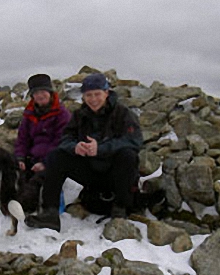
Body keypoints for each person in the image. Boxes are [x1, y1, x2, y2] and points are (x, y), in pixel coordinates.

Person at [25, 72, 143, 231]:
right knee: (56, 156)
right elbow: (65, 138)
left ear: (106, 93)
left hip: (116, 174)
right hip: (90, 172)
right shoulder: (80, 115)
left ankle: (120, 210)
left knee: (128, 155)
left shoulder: (123, 114)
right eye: (88, 95)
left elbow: (134, 141)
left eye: (97, 94)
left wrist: (100, 149)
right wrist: (75, 147)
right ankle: (50, 213)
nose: (93, 99)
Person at [14, 74, 71, 213]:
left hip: (52, 160)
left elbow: (61, 142)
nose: (40, 96)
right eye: (36, 93)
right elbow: (22, 138)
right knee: (15, 176)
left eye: (43, 91)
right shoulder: (29, 114)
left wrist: (44, 162)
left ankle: (25, 207)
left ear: (50, 92)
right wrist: (20, 158)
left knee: (36, 183)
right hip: (31, 159)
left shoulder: (62, 114)